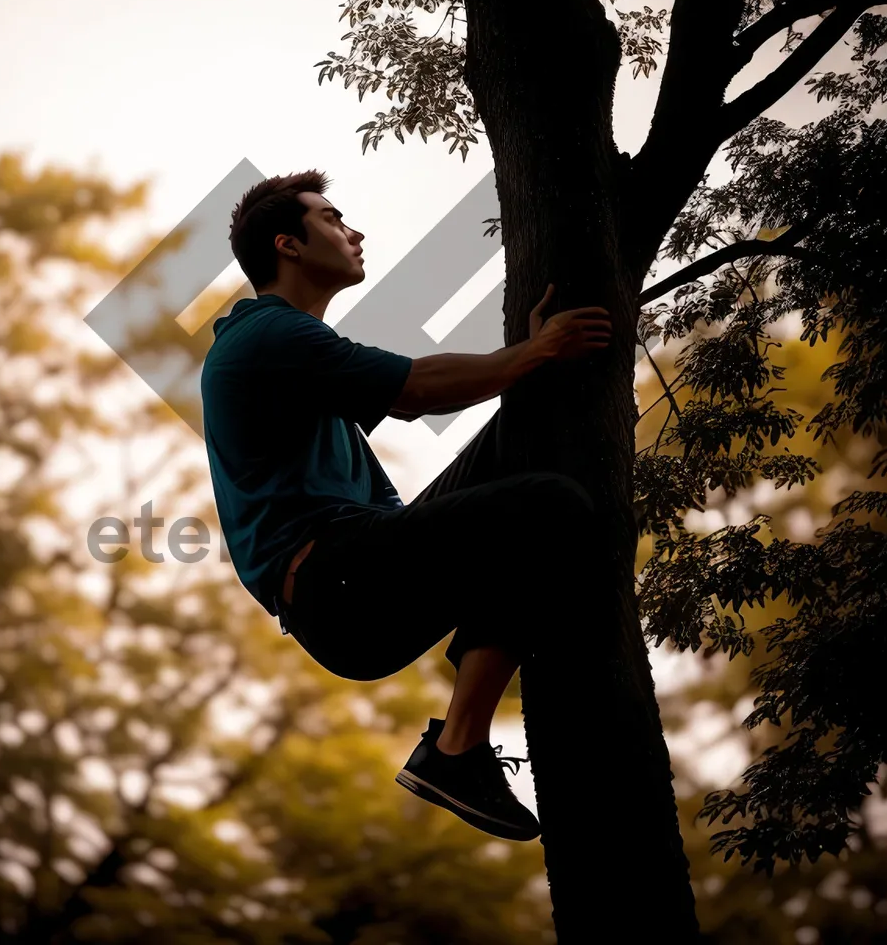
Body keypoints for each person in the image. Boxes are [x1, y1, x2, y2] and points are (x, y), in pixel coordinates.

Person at [201, 170, 610, 840]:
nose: (352, 231)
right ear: (289, 246)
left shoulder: (295, 354)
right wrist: (532, 350)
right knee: (550, 503)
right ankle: (458, 750)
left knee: (521, 429)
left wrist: (533, 365)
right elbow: (416, 389)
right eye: (332, 220)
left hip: (360, 558)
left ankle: (463, 738)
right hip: (336, 590)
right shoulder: (266, 337)